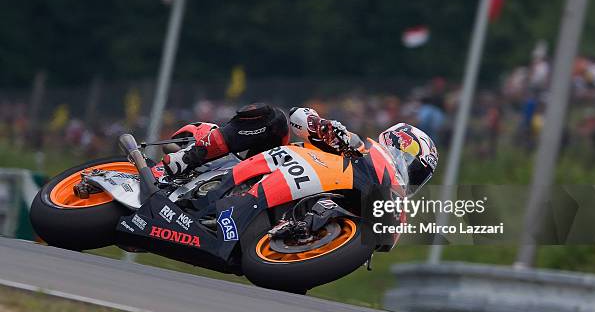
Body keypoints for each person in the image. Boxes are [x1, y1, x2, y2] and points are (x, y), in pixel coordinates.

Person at [162, 102, 437, 195]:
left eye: (418, 176)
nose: (410, 176)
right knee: (274, 118)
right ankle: (188, 159)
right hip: (267, 163)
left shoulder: (370, 195)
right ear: (396, 145)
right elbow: (298, 116)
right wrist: (322, 126)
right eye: (412, 166)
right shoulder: (354, 147)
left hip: (281, 192)